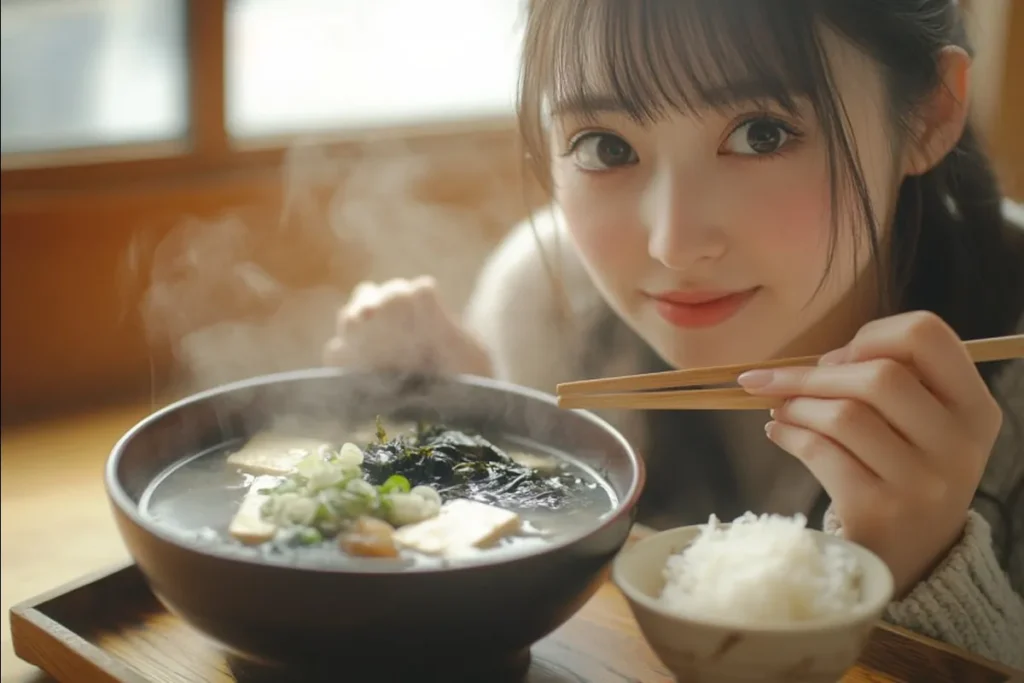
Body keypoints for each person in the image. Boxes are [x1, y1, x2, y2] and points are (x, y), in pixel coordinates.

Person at [324, 0, 1024, 667]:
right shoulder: (543, 303)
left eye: (762, 133)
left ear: (930, 113)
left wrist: (924, 567)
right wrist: (463, 450)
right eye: (605, 145)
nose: (674, 244)